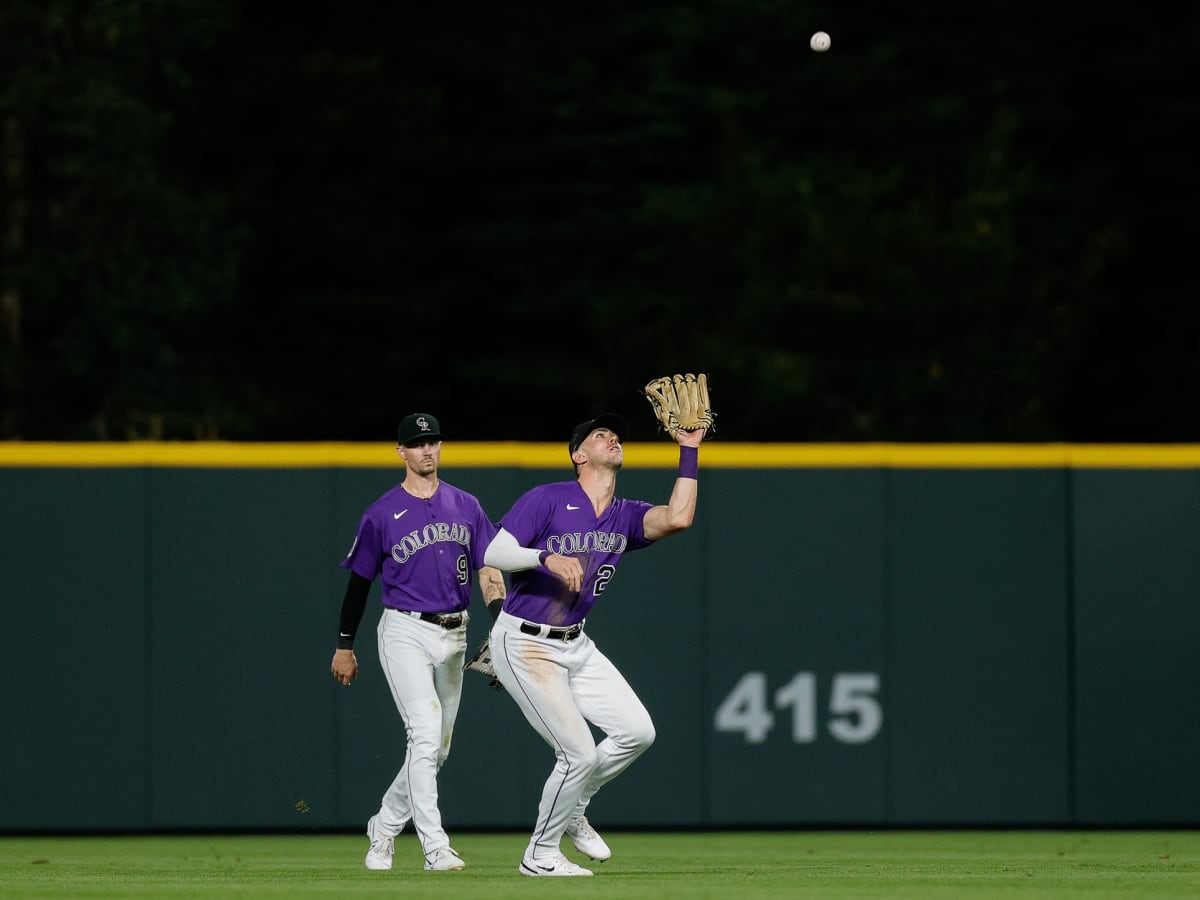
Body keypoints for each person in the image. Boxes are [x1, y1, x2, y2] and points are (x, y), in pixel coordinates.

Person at [481, 412, 706, 877]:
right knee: (578, 753)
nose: (612, 437)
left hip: (576, 644)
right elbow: (493, 554)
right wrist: (545, 555)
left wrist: (689, 448)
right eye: (600, 434)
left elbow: (679, 517)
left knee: (637, 732)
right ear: (578, 455)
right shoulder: (548, 498)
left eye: (615, 433)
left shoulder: (623, 514)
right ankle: (539, 855)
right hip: (525, 643)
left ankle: (575, 805)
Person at [330, 412, 506, 873]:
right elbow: (359, 584)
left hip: (457, 629)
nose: (428, 450)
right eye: (418, 443)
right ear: (401, 452)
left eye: (434, 442)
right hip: (405, 629)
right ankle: (435, 847)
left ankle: (384, 827)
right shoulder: (382, 513)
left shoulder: (466, 505)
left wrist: (500, 623)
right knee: (425, 735)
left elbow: (489, 566)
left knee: (437, 749)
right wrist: (345, 644)